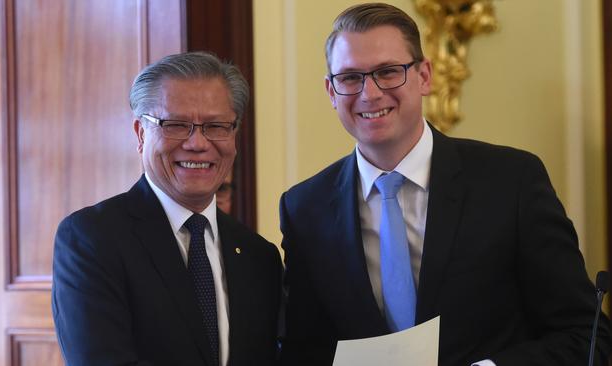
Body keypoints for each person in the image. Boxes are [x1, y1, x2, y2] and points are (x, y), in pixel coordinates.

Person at [278, 3, 611, 366]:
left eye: (389, 72)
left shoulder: (511, 182)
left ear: (424, 76)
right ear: (330, 90)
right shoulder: (304, 208)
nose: (370, 93)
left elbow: (586, 336)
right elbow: (304, 351)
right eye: (350, 77)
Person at [52, 52, 282, 366]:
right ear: (140, 133)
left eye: (215, 126)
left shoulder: (259, 256)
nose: (198, 143)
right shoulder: (93, 240)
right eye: (175, 125)